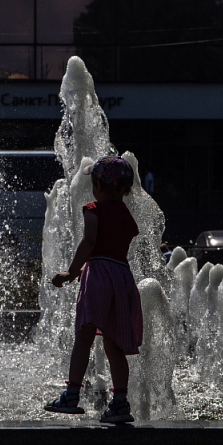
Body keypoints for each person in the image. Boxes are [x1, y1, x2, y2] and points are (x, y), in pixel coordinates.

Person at [44, 155, 142, 424]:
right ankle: (120, 403)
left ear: (98, 186)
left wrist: (71, 271)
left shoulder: (93, 209)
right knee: (114, 344)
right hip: (122, 278)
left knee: (84, 336)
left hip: (98, 274)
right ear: (126, 190)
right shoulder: (126, 216)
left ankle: (71, 396)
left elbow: (89, 241)